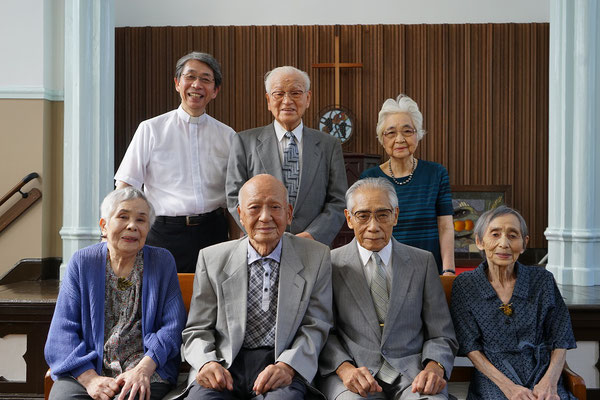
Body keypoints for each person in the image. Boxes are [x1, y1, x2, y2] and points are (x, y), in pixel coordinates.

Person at [179, 174, 333, 399]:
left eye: (275, 207)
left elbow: (316, 325)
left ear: (288, 213)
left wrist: (287, 366)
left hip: (280, 362)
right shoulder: (212, 258)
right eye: (254, 208)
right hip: (225, 363)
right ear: (240, 214)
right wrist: (206, 363)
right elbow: (197, 328)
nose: (265, 217)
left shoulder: (316, 257)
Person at [319, 178, 457, 400]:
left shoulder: (422, 262)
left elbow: (441, 333)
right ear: (349, 219)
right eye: (363, 215)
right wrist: (345, 369)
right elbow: (324, 331)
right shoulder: (329, 264)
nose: (373, 226)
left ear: (395, 216)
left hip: (412, 373)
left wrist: (435, 367)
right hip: (354, 373)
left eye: (382, 215)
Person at [45, 187, 187, 400]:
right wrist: (90, 379)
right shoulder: (82, 262)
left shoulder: (162, 261)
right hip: (87, 368)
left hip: (146, 368)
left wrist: (143, 369)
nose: (132, 226)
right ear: (104, 225)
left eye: (141, 220)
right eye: (123, 217)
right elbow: (61, 332)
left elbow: (173, 328)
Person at [115, 51, 236, 273]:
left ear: (215, 90)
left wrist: (236, 242)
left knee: (213, 303)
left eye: (206, 79)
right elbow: (125, 187)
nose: (197, 84)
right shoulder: (150, 129)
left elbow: (233, 195)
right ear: (177, 83)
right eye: (190, 77)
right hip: (163, 233)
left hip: (214, 234)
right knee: (163, 302)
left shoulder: (228, 136)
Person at [450, 206, 576, 399]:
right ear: (479, 241)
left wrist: (549, 382)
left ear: (524, 243)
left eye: (513, 235)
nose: (504, 243)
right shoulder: (466, 285)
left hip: (542, 373)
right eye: (495, 234)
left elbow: (561, 337)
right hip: (494, 377)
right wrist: (509, 388)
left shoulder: (542, 280)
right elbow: (470, 346)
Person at [226, 66, 347, 246]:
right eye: (279, 94)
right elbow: (234, 196)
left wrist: (313, 235)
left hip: (312, 248)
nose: (287, 101)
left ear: (308, 98)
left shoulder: (329, 145)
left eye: (296, 93)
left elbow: (338, 200)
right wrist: (262, 231)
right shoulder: (244, 142)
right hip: (260, 245)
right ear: (268, 100)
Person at [361, 94, 454, 275]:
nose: (400, 139)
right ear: (382, 138)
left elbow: (445, 226)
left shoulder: (436, 174)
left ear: (418, 134)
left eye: (407, 131)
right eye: (391, 133)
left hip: (429, 269)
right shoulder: (370, 179)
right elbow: (366, 230)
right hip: (386, 272)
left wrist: (448, 269)